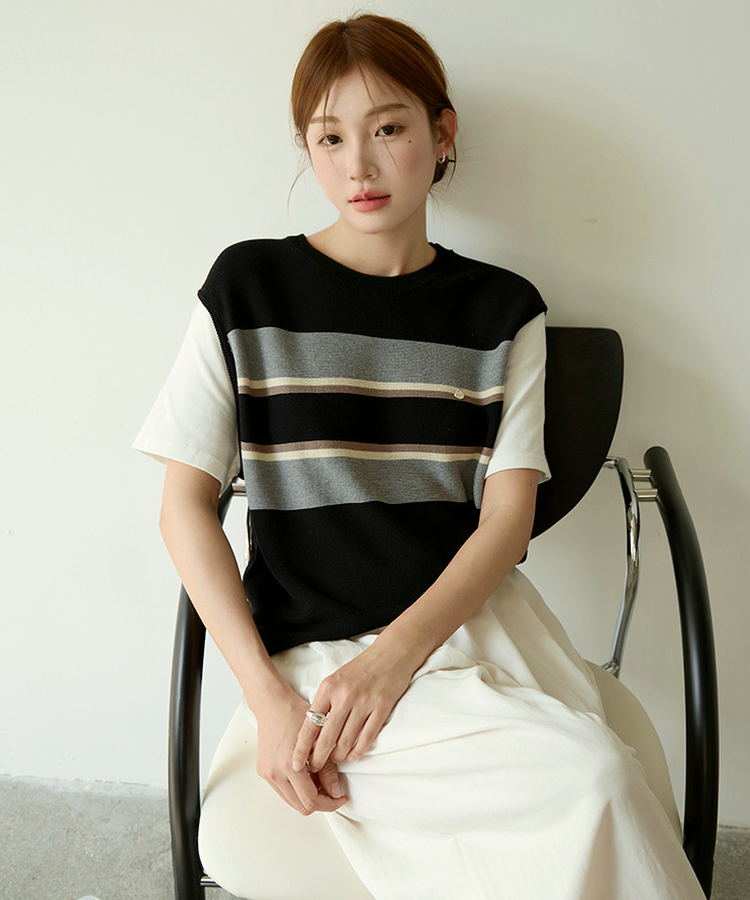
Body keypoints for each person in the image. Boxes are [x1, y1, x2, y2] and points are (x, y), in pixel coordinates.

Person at [134, 13, 706, 900]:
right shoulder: (246, 288)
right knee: (592, 785)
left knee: (598, 780)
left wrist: (394, 659)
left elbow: (507, 520)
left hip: (471, 630)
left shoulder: (504, 311)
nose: (358, 167)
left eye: (388, 128)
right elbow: (183, 507)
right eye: (329, 137)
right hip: (316, 653)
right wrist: (266, 697)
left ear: (443, 134)